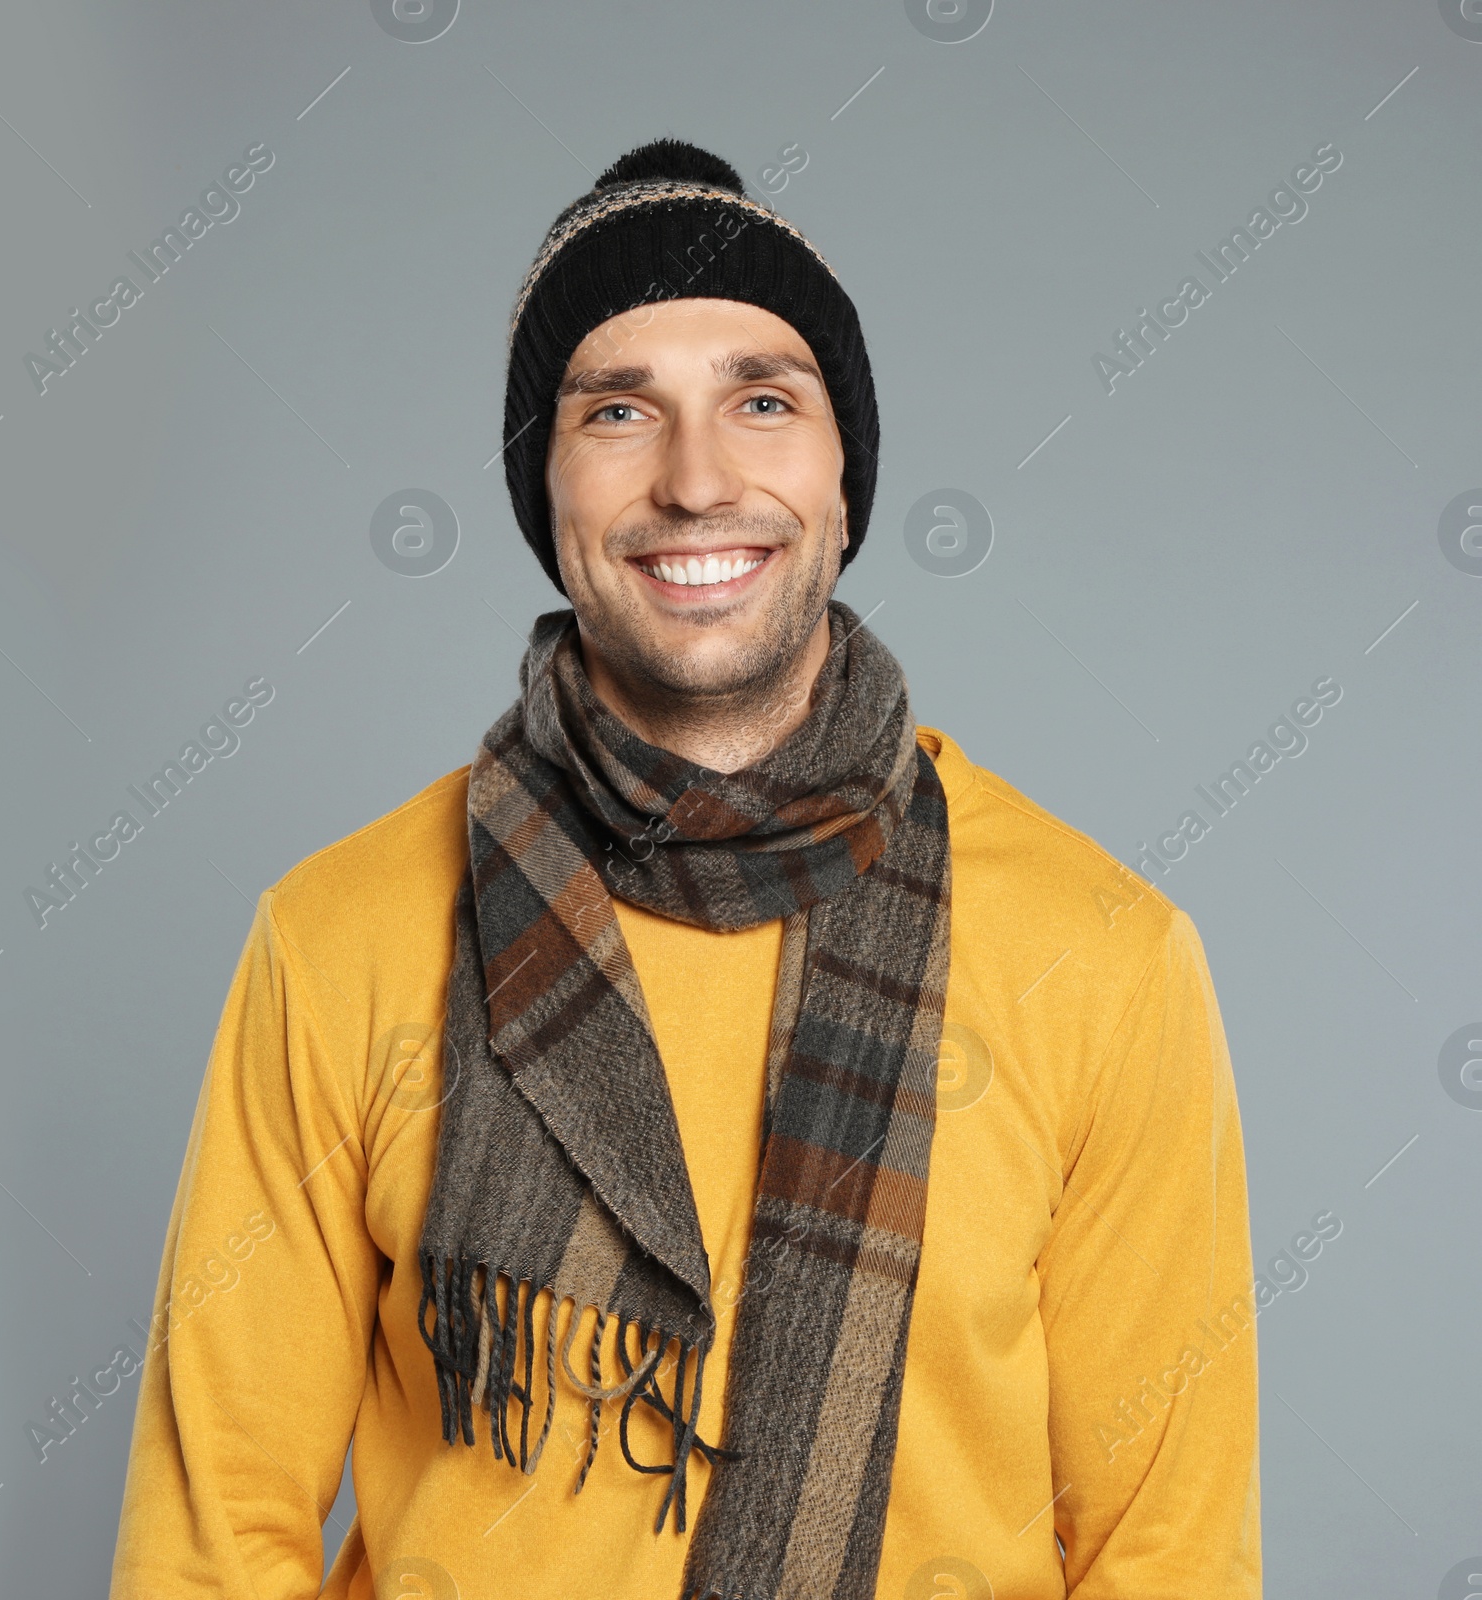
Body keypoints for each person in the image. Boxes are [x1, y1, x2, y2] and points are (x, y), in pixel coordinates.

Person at [108, 139, 1260, 1600]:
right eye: (618, 411)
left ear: (846, 479)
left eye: (762, 401)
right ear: (548, 487)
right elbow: (210, 1544)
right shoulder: (336, 936)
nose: (696, 478)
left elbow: (1168, 1556)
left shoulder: (1104, 953)